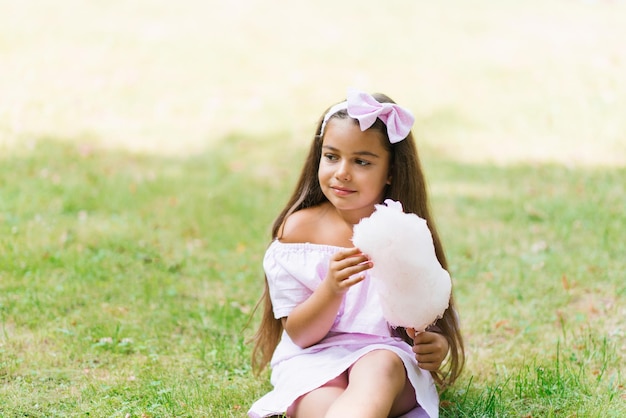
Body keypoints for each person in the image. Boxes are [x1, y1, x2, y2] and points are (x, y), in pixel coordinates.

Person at [248, 89, 464, 418]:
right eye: (332, 156)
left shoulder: (402, 234)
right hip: (315, 361)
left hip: (389, 360)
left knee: (378, 365)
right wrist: (331, 289)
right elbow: (302, 336)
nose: (343, 172)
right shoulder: (300, 231)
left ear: (391, 171)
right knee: (323, 401)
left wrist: (438, 345)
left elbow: (431, 315)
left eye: (362, 161)